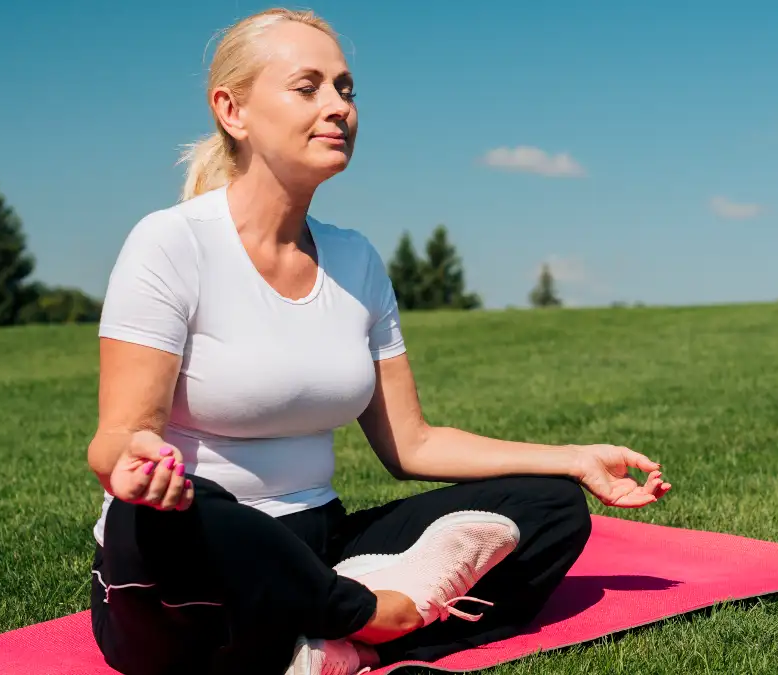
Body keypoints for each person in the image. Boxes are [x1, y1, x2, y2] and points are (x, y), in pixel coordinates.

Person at [84, 7, 670, 675]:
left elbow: (411, 443)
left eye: (346, 88)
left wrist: (572, 459)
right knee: (170, 513)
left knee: (551, 507)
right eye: (308, 88)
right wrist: (131, 461)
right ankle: (365, 615)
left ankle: (327, 643)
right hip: (198, 548)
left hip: (319, 543)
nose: (338, 107)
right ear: (233, 110)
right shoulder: (171, 244)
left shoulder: (355, 260)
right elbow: (117, 438)